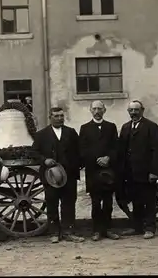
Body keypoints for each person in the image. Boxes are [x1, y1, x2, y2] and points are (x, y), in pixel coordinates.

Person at [31, 107, 84, 243]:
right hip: (51, 176)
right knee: (52, 203)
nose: (59, 118)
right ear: (50, 117)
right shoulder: (41, 135)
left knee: (69, 204)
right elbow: (34, 152)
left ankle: (68, 232)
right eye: (56, 116)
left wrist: (77, 165)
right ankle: (54, 233)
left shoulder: (71, 133)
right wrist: (45, 160)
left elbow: (79, 150)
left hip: (69, 175)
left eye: (61, 116)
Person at [117, 100, 158, 239]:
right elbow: (121, 150)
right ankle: (136, 227)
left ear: (142, 110)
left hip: (146, 171)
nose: (134, 113)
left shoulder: (151, 126)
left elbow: (156, 150)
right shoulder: (125, 127)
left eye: (136, 110)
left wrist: (154, 171)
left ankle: (150, 228)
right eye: (131, 110)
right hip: (130, 172)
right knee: (135, 200)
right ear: (128, 112)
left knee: (149, 200)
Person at [79, 100, 120, 241]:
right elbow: (82, 149)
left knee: (108, 202)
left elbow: (116, 146)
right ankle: (96, 231)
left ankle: (108, 229)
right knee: (96, 202)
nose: (97, 111)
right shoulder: (85, 128)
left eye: (99, 109)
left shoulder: (111, 127)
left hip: (108, 170)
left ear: (104, 110)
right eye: (94, 108)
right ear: (90, 110)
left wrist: (108, 157)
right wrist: (97, 159)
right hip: (93, 170)